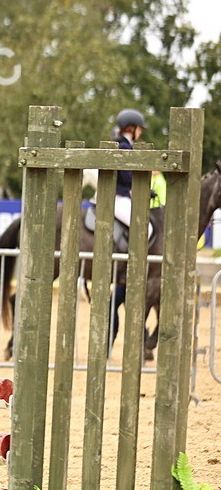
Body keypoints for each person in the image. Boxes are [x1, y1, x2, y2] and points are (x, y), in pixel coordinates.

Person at [108, 108, 146, 350]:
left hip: (122, 196)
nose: (141, 133)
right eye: (140, 128)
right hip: (118, 198)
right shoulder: (122, 146)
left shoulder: (124, 143)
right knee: (143, 228)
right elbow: (126, 176)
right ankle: (132, 265)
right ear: (132, 127)